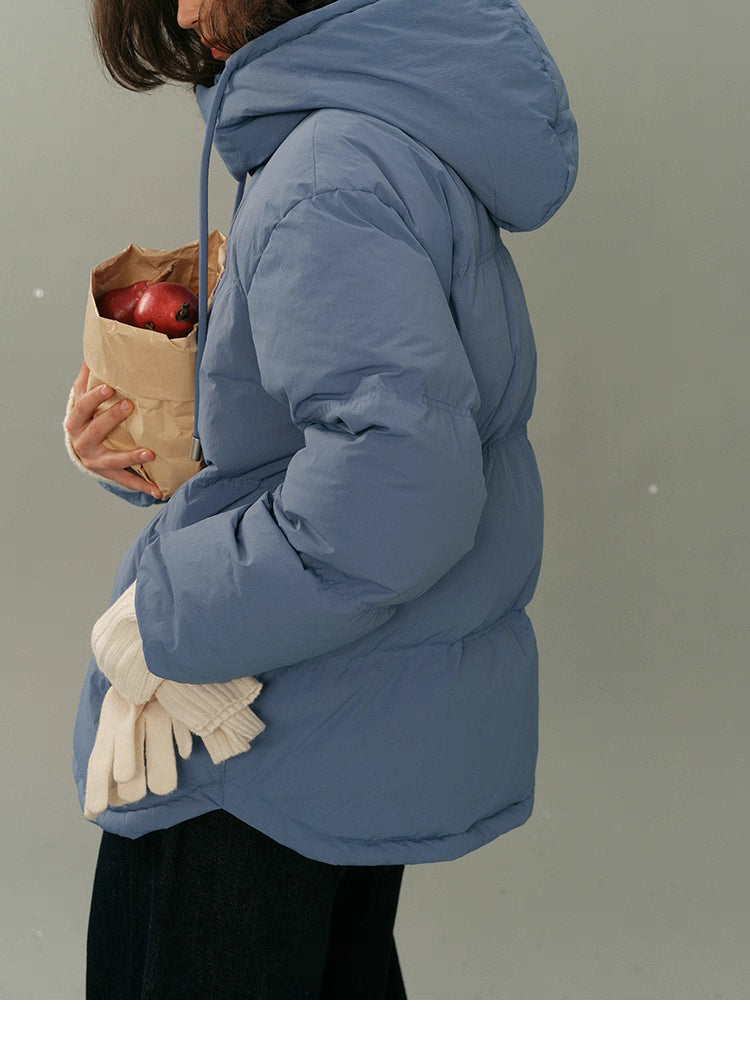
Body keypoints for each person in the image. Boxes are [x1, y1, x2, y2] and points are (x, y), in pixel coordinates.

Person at [64, 0, 578, 1000]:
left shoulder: (323, 173)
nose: (184, 12)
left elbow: (395, 492)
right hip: (336, 724)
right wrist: (156, 441)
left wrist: (164, 614)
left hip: (256, 746)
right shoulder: (381, 140)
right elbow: (357, 446)